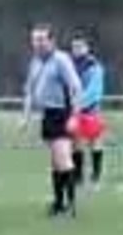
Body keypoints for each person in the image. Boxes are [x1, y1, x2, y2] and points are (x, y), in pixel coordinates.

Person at [20, 24, 83, 217]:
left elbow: (76, 88)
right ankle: (58, 203)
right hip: (47, 115)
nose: (37, 43)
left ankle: (71, 206)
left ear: (51, 41)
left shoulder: (61, 60)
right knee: (56, 162)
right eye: (34, 39)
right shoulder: (35, 62)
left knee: (63, 160)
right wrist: (25, 117)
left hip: (61, 113)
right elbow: (29, 92)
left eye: (41, 39)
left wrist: (75, 116)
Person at [70, 33, 106, 191]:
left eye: (79, 46)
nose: (76, 50)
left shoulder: (94, 65)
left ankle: (96, 176)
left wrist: (79, 103)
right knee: (76, 143)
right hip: (74, 110)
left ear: (87, 48)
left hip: (91, 109)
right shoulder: (69, 64)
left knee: (95, 141)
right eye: (74, 47)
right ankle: (78, 177)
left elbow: (94, 91)